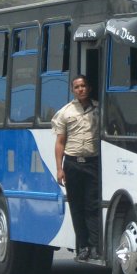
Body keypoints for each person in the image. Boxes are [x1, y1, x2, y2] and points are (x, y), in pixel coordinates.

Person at [52, 75, 100, 261]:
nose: (81, 89)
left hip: (93, 163)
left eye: (84, 86)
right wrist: (59, 168)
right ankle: (83, 247)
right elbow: (60, 142)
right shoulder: (65, 112)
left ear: (89, 88)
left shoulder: (99, 109)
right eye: (77, 87)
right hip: (72, 164)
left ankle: (95, 246)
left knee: (92, 206)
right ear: (73, 90)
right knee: (77, 207)